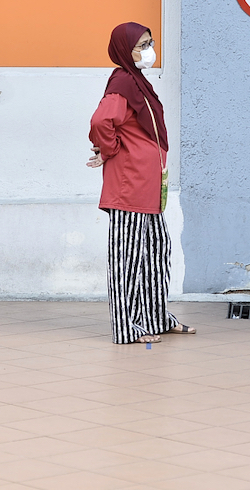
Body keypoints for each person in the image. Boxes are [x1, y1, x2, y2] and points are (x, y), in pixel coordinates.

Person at [88, 22, 194, 344]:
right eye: (142, 45)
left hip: (149, 189)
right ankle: (124, 327)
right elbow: (100, 121)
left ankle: (154, 316)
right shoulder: (121, 82)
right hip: (129, 187)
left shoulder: (137, 83)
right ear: (125, 49)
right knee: (127, 260)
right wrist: (111, 150)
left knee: (155, 253)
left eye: (150, 43)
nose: (149, 50)